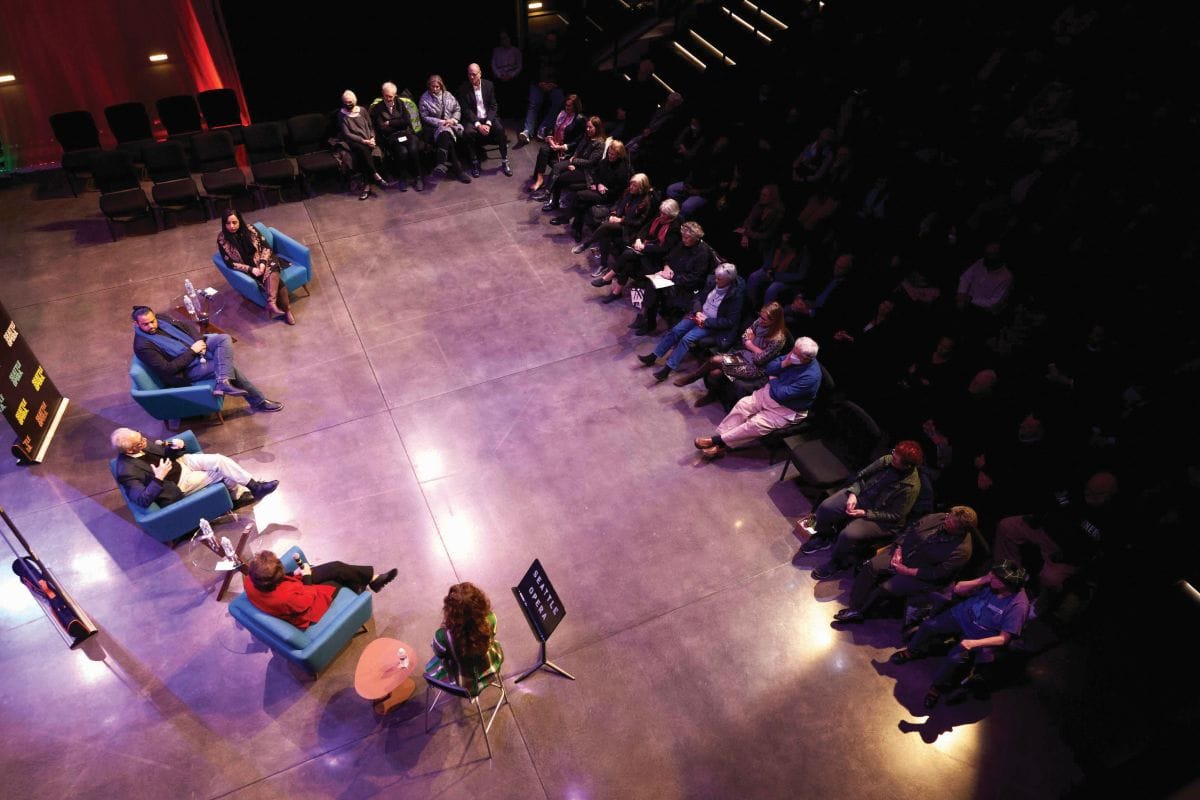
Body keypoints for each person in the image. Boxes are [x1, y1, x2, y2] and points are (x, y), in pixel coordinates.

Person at [889, 561, 1030, 709]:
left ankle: (936, 688)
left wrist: (973, 643)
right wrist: (983, 580)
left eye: (996, 578)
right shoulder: (990, 582)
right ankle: (911, 651)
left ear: (1008, 585)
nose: (992, 578)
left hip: (978, 635)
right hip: (960, 616)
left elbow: (1003, 639)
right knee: (928, 626)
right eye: (993, 575)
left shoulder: (1018, 606)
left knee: (954, 659)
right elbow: (958, 589)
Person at [800, 441, 925, 580]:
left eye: (896, 458)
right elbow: (862, 475)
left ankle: (837, 563)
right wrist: (854, 493)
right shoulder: (887, 460)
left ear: (906, 465)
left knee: (848, 534)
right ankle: (825, 536)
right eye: (894, 452)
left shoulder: (911, 487)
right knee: (825, 507)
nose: (892, 456)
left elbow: (895, 515)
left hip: (881, 518)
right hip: (862, 496)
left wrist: (865, 513)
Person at [831, 506, 977, 625]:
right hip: (902, 554)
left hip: (920, 575)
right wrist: (899, 549)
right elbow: (911, 529)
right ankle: (855, 607)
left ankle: (861, 613)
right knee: (871, 567)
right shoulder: (940, 517)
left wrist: (906, 571)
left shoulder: (962, 551)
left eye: (950, 522)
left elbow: (936, 574)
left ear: (960, 530)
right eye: (948, 516)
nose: (945, 520)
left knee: (885, 588)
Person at [131, 306, 283, 412]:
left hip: (195, 347)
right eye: (146, 324)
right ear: (136, 324)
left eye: (152, 321)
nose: (152, 325)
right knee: (231, 369)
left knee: (223, 338)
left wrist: (199, 342)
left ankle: (222, 382)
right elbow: (168, 369)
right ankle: (258, 402)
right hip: (184, 371)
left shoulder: (161, 318)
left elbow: (186, 326)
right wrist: (193, 351)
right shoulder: (143, 346)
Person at [693, 336, 821, 458]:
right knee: (743, 405)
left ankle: (716, 441)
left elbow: (782, 394)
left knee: (754, 424)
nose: (792, 355)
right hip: (769, 393)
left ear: (806, 359)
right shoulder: (792, 357)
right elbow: (770, 369)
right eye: (793, 351)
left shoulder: (810, 377)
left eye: (797, 355)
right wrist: (783, 364)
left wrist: (773, 380)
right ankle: (720, 446)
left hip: (786, 409)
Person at [111, 427, 278, 510]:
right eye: (140, 443)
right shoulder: (126, 471)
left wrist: (176, 448)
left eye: (141, 436)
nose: (145, 441)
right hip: (179, 483)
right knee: (219, 472)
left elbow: (164, 452)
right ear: (130, 450)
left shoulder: (142, 443)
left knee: (219, 460)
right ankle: (237, 497)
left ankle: (255, 487)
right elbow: (141, 501)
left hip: (183, 462)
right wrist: (158, 478)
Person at [636, 263, 745, 382]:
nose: (716, 280)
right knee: (675, 331)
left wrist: (706, 321)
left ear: (728, 281)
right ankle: (654, 356)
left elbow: (730, 321)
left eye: (719, 279)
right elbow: (698, 298)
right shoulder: (712, 282)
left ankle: (667, 369)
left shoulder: (736, 296)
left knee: (686, 339)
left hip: (710, 323)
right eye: (716, 277)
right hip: (698, 315)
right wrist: (698, 311)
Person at [244, 550, 397, 629]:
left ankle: (372, 579)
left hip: (294, 587)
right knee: (338, 580)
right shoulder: (285, 599)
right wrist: (308, 577)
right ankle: (365, 584)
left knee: (336, 567)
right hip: (304, 606)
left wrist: (293, 574)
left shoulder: (251, 579)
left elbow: (282, 583)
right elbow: (306, 601)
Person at [675, 301, 789, 407]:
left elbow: (760, 360)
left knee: (715, 360)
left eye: (764, 319)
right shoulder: (759, 322)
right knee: (714, 373)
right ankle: (710, 395)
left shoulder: (778, 339)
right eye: (760, 315)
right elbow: (744, 336)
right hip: (743, 355)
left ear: (774, 321)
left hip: (755, 368)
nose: (760, 319)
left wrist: (750, 345)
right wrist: (755, 348)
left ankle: (692, 378)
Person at [215, 209, 295, 325]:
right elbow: (230, 263)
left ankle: (272, 303)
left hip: (265, 260)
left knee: (272, 264)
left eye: (234, 222)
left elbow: (266, 246)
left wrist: (262, 264)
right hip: (250, 268)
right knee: (279, 282)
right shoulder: (222, 239)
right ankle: (286, 310)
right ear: (224, 223)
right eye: (228, 223)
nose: (231, 226)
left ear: (240, 221)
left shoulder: (250, 229)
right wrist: (251, 269)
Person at [425, 582, 504, 692]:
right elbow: (492, 637)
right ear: (481, 604)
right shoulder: (491, 618)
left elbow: (439, 653)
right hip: (489, 668)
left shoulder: (442, 636)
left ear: (450, 612)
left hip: (463, 681)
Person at [553, 139, 630, 236]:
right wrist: (598, 184)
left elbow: (618, 191)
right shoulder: (606, 161)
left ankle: (566, 218)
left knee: (580, 195)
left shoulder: (622, 171)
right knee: (583, 203)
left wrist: (603, 188)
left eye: (613, 154)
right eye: (609, 153)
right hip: (598, 189)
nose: (610, 156)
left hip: (608, 196)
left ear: (619, 155)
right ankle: (577, 230)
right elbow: (596, 173)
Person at [457, 63, 512, 178]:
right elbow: (466, 110)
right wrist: (478, 125)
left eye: (474, 74)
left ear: (480, 74)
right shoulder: (464, 88)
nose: (471, 77)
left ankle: (505, 161)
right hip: (474, 120)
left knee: (500, 130)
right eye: (469, 74)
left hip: (488, 119)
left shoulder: (489, 85)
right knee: (468, 132)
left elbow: (493, 106)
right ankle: (474, 162)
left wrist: (488, 123)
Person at [540, 116, 605, 212]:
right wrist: (573, 160)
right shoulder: (586, 136)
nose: (587, 129)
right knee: (557, 166)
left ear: (597, 128)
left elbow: (591, 163)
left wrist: (574, 162)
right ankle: (547, 193)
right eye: (587, 127)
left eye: (590, 127)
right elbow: (578, 150)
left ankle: (554, 203)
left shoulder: (600, 144)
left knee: (561, 177)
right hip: (575, 162)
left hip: (585, 171)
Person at [371, 82, 425, 191]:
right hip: (391, 137)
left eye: (391, 96)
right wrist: (398, 124)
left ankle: (418, 177)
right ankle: (403, 178)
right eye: (386, 96)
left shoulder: (400, 103)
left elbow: (406, 121)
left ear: (395, 95)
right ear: (383, 94)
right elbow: (381, 127)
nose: (388, 98)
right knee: (402, 152)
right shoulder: (378, 108)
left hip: (406, 133)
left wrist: (390, 123)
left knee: (413, 149)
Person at [418, 74, 471, 184]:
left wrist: (453, 120)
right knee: (447, 136)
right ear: (429, 86)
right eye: (433, 86)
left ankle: (441, 164)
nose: (435, 89)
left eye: (437, 86)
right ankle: (458, 170)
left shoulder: (448, 95)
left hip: (451, 124)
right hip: (434, 128)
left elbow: (457, 109)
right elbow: (424, 116)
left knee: (447, 133)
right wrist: (441, 122)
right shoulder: (425, 98)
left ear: (441, 86)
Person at [528, 94, 584, 194]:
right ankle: (540, 179)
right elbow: (552, 127)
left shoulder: (579, 119)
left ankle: (547, 185)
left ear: (575, 106)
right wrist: (550, 138)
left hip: (566, 149)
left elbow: (578, 140)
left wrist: (562, 147)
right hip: (555, 143)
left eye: (570, 106)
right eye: (566, 105)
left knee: (548, 156)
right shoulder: (562, 113)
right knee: (543, 149)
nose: (567, 107)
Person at [338, 90, 387, 201]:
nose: (348, 104)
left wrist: (372, 138)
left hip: (367, 139)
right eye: (346, 102)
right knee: (362, 148)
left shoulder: (362, 110)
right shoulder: (341, 114)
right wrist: (363, 141)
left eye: (350, 102)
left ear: (354, 101)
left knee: (364, 156)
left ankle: (367, 187)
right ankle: (375, 174)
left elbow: (370, 126)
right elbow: (347, 134)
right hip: (352, 141)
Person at [519, 30, 566, 144]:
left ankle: (543, 128)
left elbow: (564, 73)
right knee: (534, 103)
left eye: (553, 41)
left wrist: (554, 84)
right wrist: (540, 82)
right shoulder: (537, 52)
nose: (550, 43)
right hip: (538, 83)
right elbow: (531, 70)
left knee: (559, 101)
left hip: (554, 85)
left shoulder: (562, 54)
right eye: (549, 40)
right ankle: (527, 131)